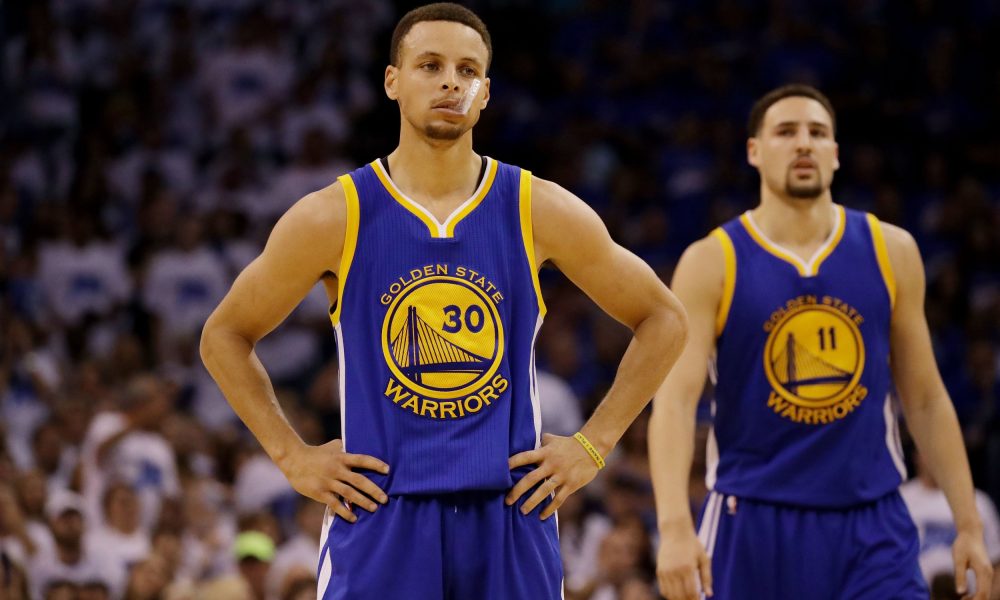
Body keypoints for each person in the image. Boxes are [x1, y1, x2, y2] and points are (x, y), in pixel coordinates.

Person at [200, 4, 688, 600]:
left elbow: (664, 318)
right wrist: (291, 456)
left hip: (510, 511)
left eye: (467, 70)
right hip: (381, 511)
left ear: (485, 94)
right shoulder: (334, 215)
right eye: (430, 65)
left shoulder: (537, 208)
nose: (450, 81)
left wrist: (593, 444)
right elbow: (223, 336)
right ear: (392, 81)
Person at [648, 84, 994, 600]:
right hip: (755, 516)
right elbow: (675, 402)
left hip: (873, 520)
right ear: (754, 151)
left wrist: (969, 523)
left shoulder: (892, 250)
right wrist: (675, 526)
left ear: (835, 153)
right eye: (786, 132)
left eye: (818, 133)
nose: (803, 143)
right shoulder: (712, 260)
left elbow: (925, 398)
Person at [900, 448, 1000, 595]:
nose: (936, 458)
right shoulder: (902, 500)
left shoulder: (979, 502)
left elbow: (996, 561)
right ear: (916, 456)